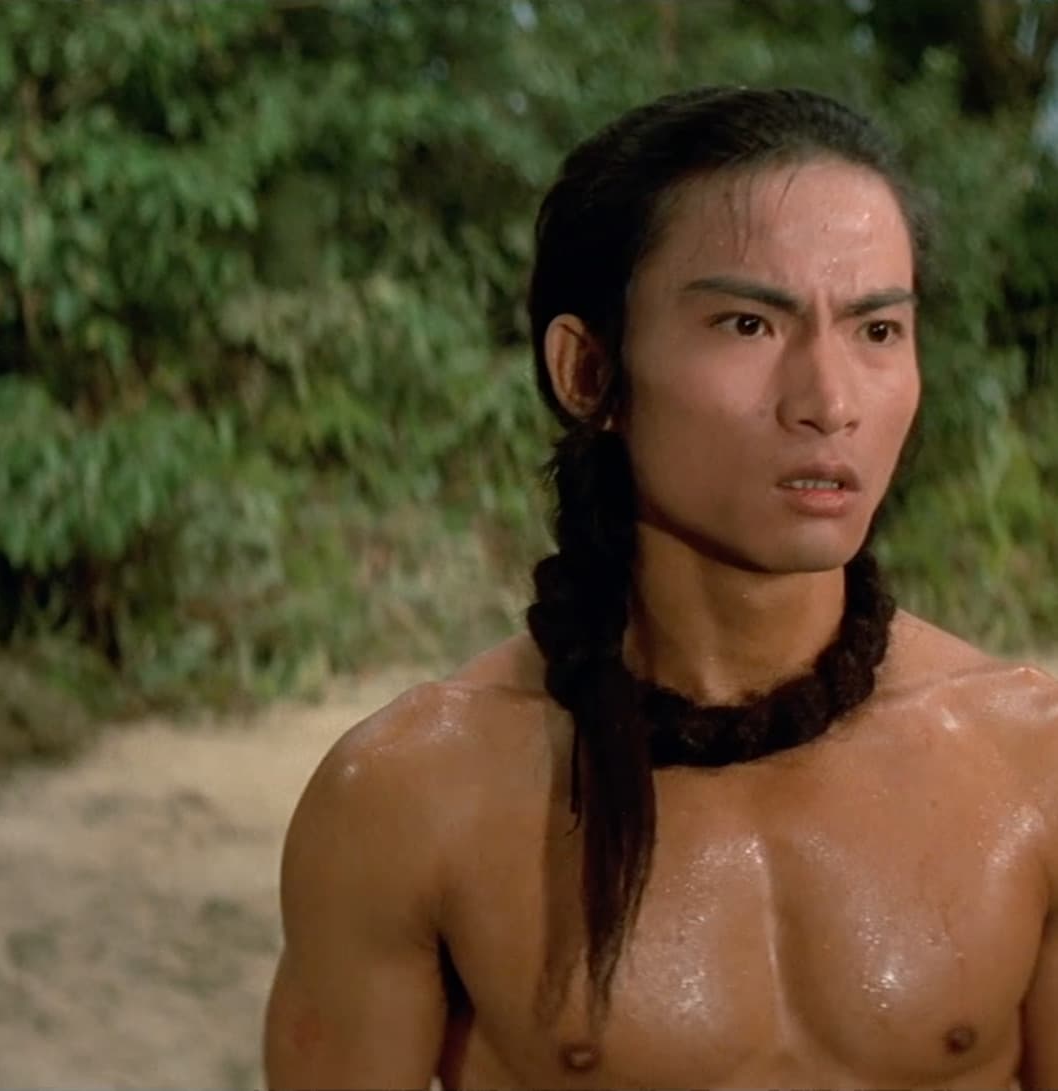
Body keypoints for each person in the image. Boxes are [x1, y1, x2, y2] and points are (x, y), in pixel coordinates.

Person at [262, 85, 1058, 1090]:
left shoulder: (1029, 766)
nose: (829, 401)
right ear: (586, 371)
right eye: (747, 323)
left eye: (876, 330)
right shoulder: (411, 798)